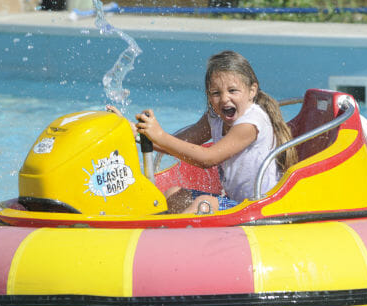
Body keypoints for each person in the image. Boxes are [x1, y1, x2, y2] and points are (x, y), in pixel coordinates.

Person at [107, 50, 298, 214]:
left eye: (233, 90)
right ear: (208, 95)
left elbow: (208, 159)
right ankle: (153, 227)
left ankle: (165, 239)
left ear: (252, 91)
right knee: (173, 194)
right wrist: (136, 133)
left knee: (203, 204)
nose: (224, 99)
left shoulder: (251, 123)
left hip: (260, 206)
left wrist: (161, 136)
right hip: (236, 202)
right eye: (216, 93)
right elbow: (174, 145)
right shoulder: (214, 118)